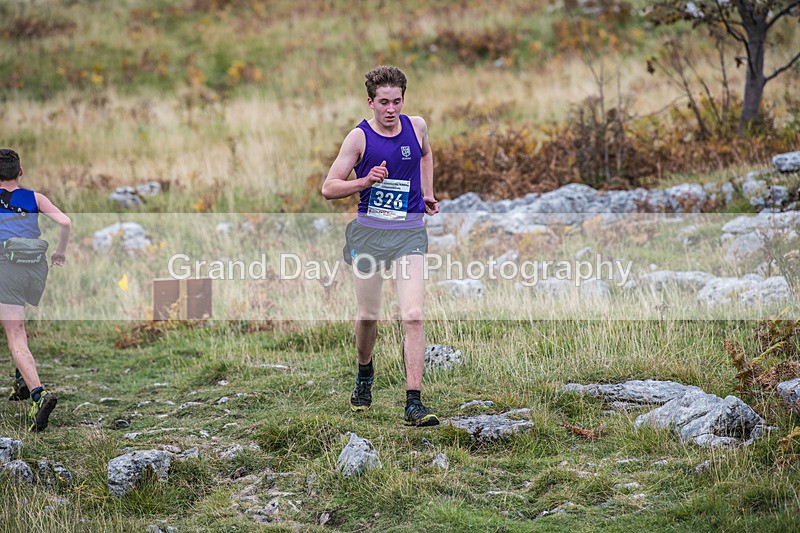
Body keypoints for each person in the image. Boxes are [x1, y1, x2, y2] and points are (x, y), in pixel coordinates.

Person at [321, 66, 440, 427]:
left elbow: (425, 155)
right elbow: (329, 187)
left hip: (409, 233)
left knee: (413, 314)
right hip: (370, 236)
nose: (391, 109)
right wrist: (364, 181)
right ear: (370, 102)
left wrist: (428, 191)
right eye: (384, 102)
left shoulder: (416, 126)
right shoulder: (358, 138)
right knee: (368, 315)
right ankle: (364, 373)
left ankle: (413, 403)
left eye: (397, 101)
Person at [0, 148, 70, 432]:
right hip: (34, 270)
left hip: (6, 268)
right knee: (17, 324)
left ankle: (38, 396)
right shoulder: (35, 198)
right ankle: (21, 379)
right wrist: (60, 253)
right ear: (20, 172)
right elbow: (65, 222)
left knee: (15, 334)